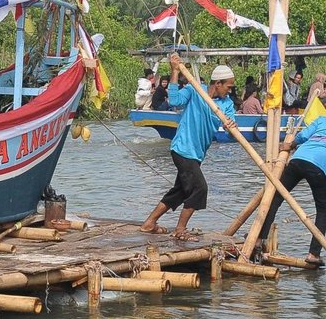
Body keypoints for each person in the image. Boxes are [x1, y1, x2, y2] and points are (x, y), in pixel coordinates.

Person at [140, 55, 236, 239]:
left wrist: (230, 127)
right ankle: (180, 229)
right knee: (200, 188)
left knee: (181, 190)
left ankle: (149, 223)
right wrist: (175, 71)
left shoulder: (227, 105)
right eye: (228, 87)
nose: (230, 91)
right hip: (183, 148)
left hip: (197, 154)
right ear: (218, 84)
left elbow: (232, 131)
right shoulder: (195, 90)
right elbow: (175, 101)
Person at [258, 116, 326, 266]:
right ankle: (313, 254)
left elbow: (302, 136)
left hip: (299, 158)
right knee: (323, 211)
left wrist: (290, 145)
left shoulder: (322, 119)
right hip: (319, 166)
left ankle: (258, 238)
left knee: (274, 199)